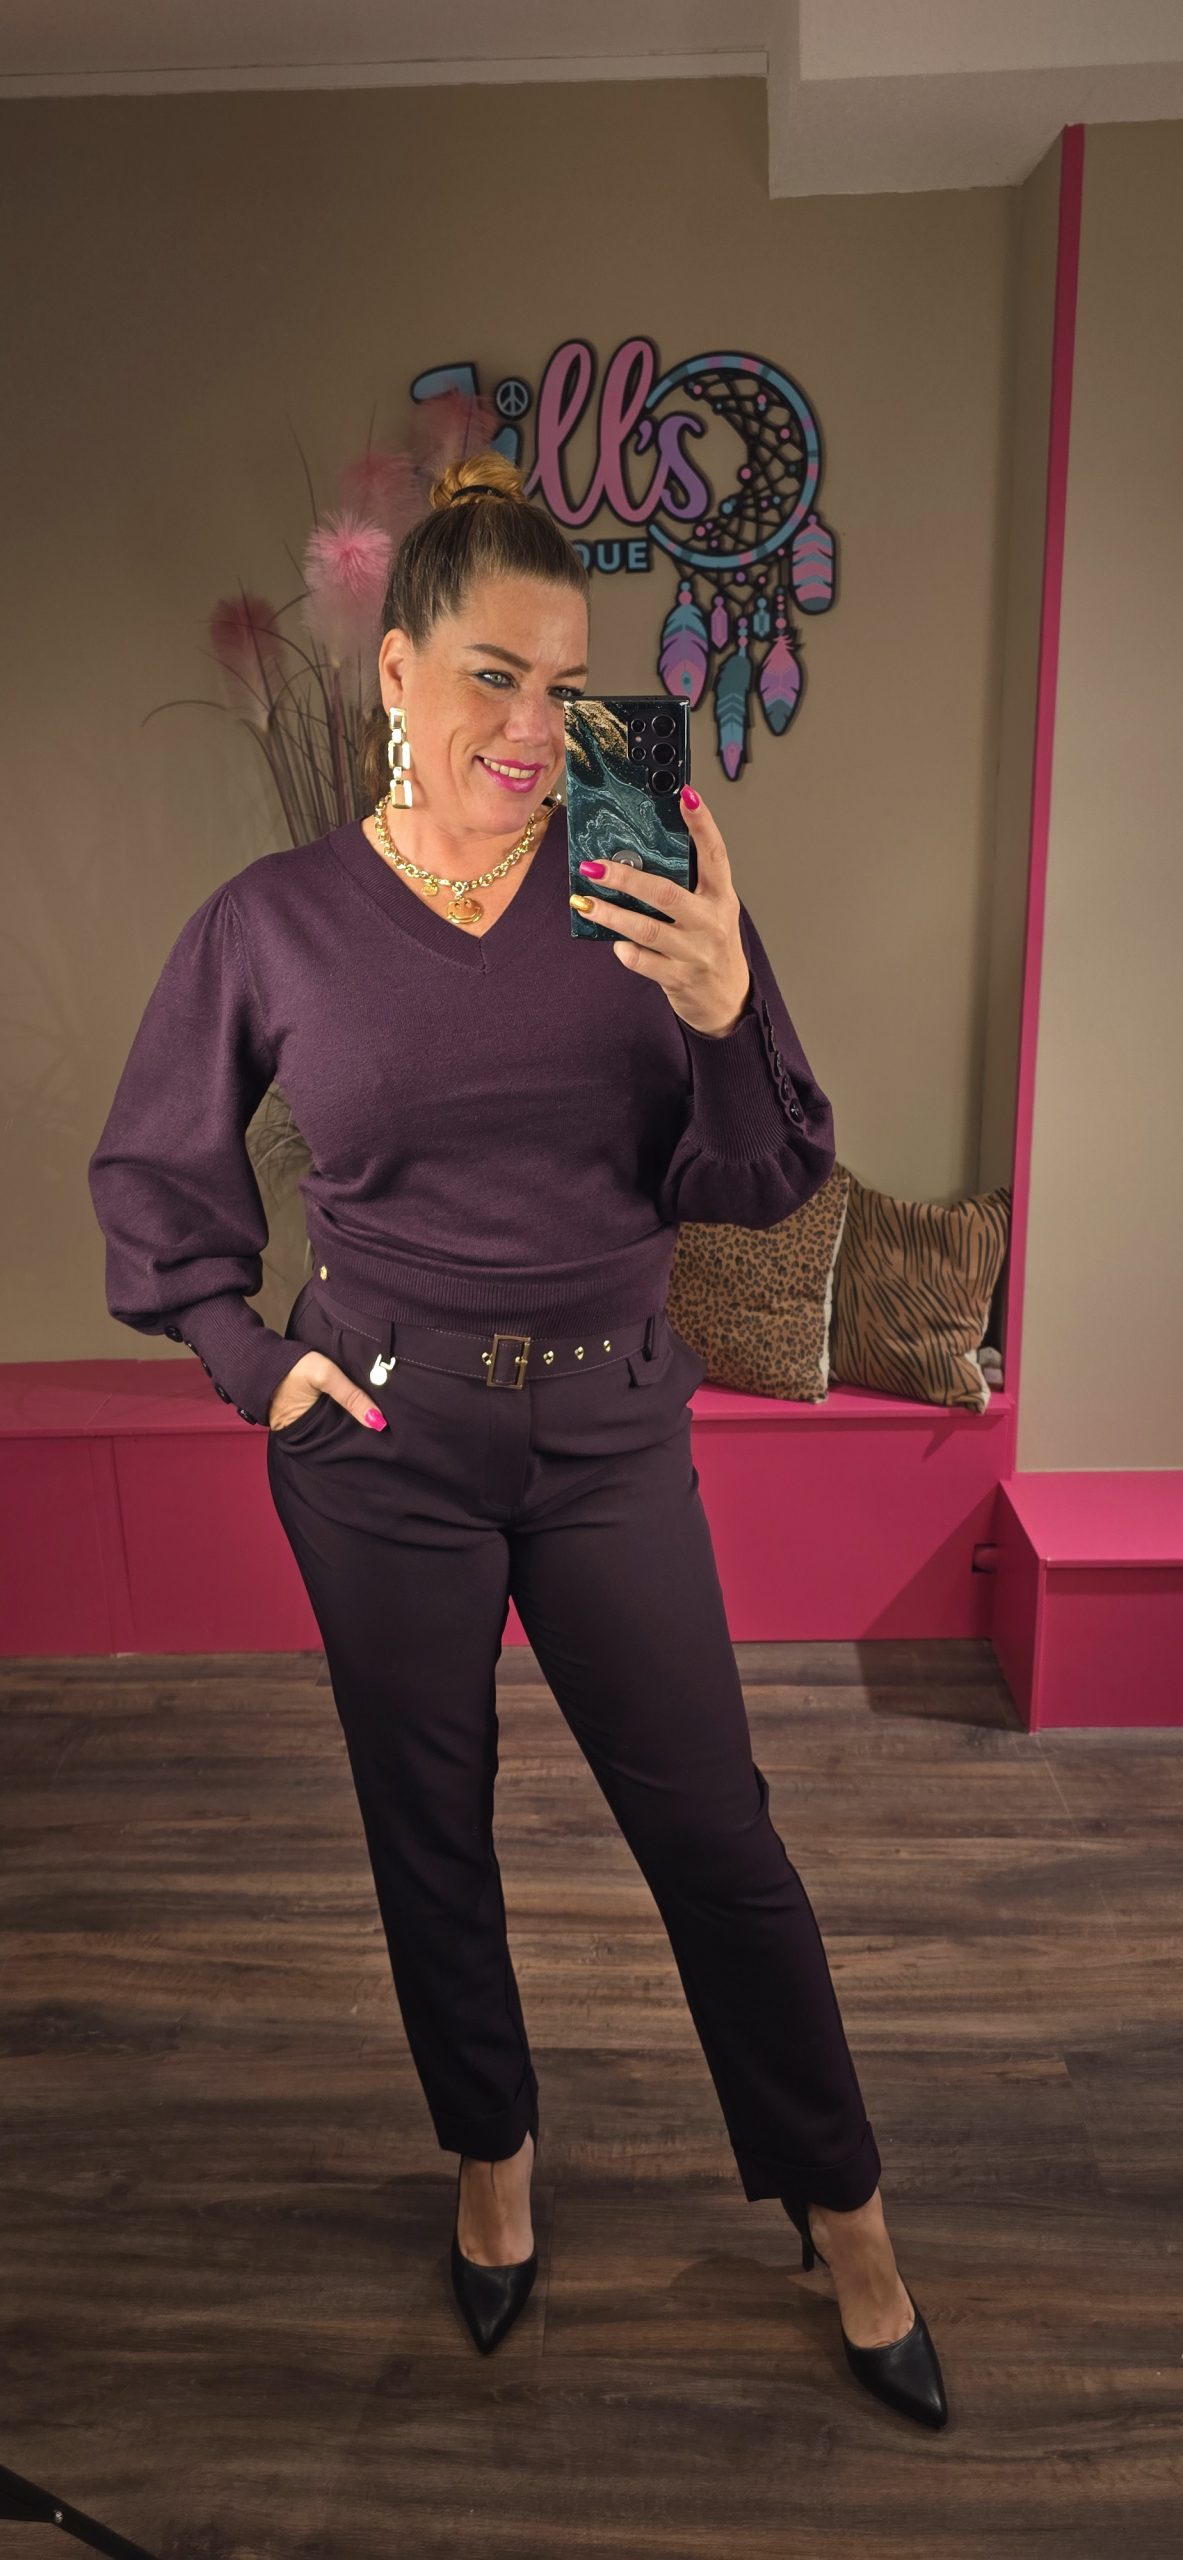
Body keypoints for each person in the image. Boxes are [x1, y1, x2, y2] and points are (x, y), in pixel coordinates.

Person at [88, 451, 947, 2428]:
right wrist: (243, 1352)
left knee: (715, 1831)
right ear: (395, 672)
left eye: (566, 686)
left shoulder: (644, 895)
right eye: (493, 675)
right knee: (429, 1820)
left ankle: (843, 2204)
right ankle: (491, 2148)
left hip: (608, 1427)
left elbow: (752, 1184)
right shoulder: (275, 922)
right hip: (379, 1436)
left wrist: (726, 1010)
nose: (536, 728)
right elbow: (156, 1162)